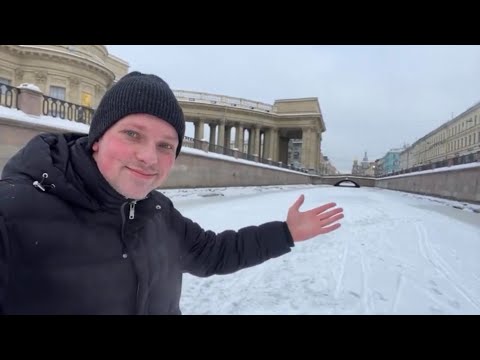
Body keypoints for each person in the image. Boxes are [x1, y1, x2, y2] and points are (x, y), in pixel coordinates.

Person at [0, 71, 344, 315]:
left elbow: (213, 253)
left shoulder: (156, 211)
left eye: (166, 145)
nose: (150, 157)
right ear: (97, 138)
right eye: (133, 134)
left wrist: (285, 233)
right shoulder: (11, 213)